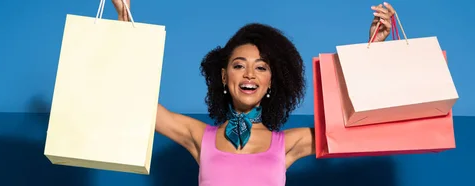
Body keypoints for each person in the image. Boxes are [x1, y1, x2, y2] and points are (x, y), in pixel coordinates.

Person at [112, 1, 397, 185]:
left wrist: (375, 47)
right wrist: (124, 16)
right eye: (239, 66)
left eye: (261, 68)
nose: (249, 74)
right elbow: (138, 98)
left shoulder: (288, 143)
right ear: (224, 76)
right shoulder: (199, 136)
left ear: (272, 81)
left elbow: (352, 128)